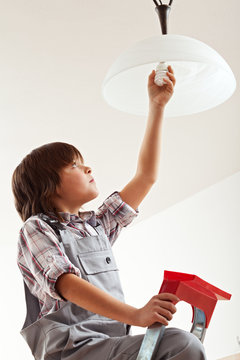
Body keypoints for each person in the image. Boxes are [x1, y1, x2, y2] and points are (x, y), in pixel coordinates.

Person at [12, 66, 207, 360]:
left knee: (183, 344)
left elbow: (145, 177)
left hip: (110, 346)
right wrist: (136, 315)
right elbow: (65, 282)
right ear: (48, 186)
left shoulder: (96, 227)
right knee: (181, 344)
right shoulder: (37, 228)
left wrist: (156, 106)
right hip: (72, 351)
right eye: (75, 165)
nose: (88, 167)